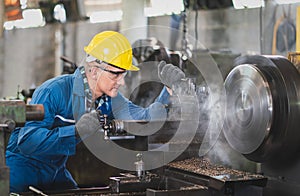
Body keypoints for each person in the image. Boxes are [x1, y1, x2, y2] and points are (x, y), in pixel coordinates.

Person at [6, 30, 185, 193]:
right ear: (93, 71)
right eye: (116, 74)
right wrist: (75, 131)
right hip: (23, 170)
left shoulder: (110, 99)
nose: (121, 82)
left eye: (123, 75)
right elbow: (27, 142)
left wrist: (167, 91)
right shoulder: (53, 91)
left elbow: (143, 119)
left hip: (55, 171)